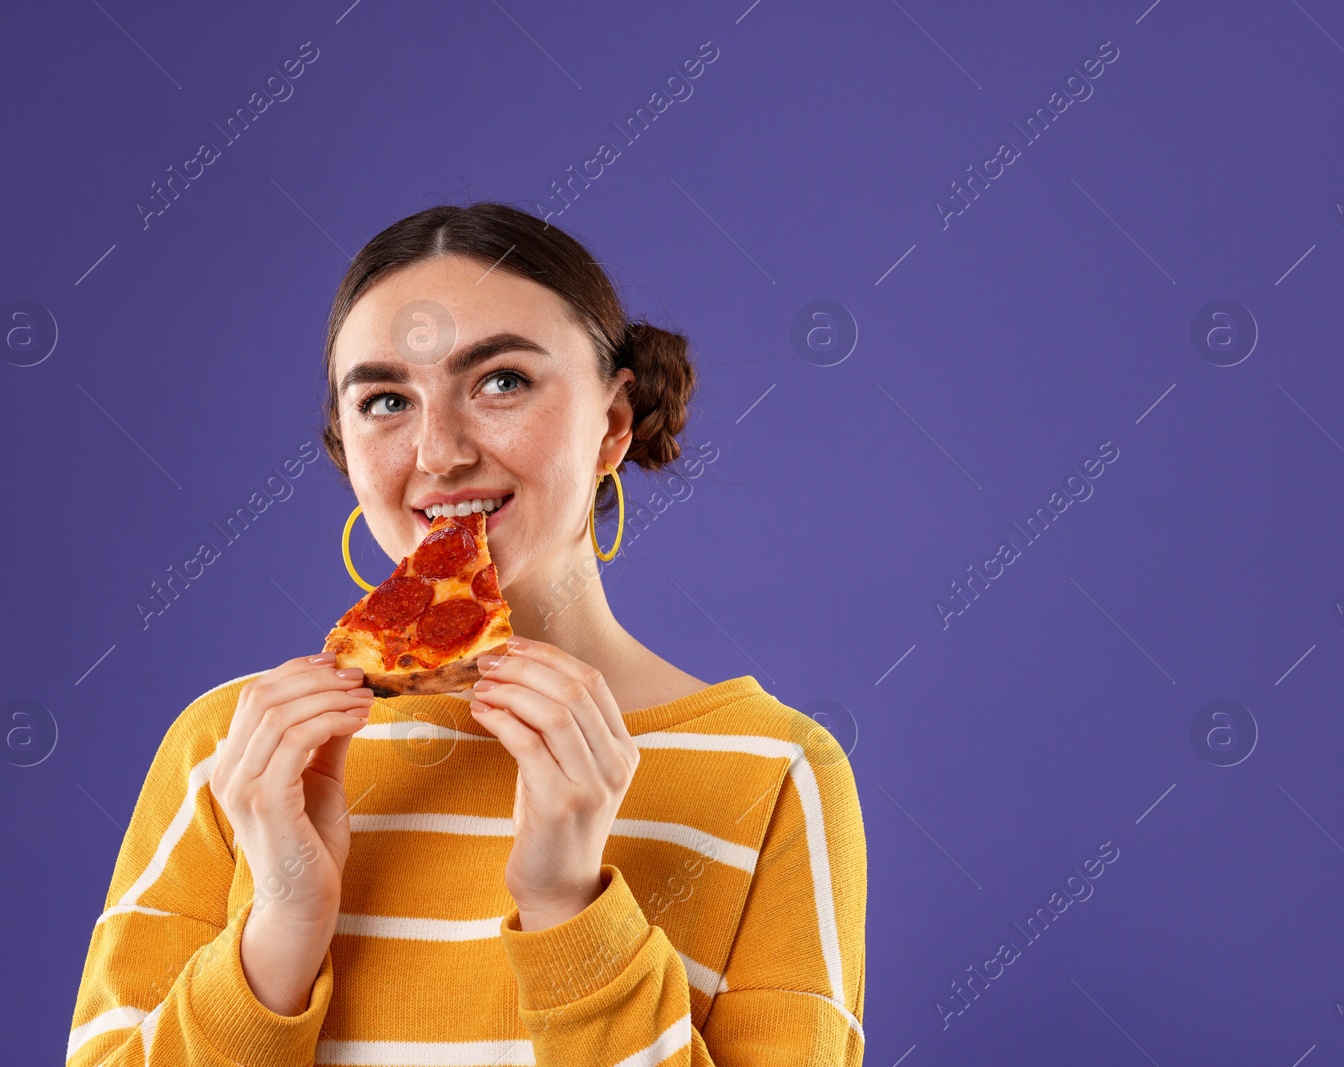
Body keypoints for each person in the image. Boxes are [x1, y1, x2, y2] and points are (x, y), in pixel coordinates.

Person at [66, 202, 867, 1065]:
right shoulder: (234, 753)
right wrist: (281, 933)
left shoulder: (776, 771)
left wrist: (569, 909)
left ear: (613, 419)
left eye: (501, 381)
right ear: (347, 447)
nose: (439, 452)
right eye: (384, 400)